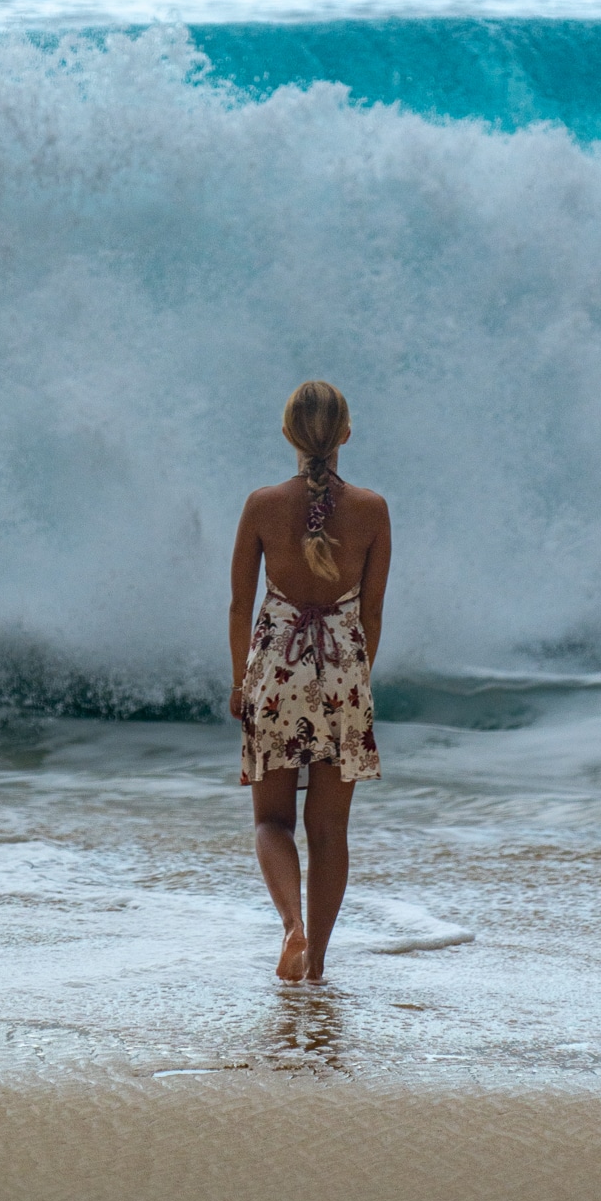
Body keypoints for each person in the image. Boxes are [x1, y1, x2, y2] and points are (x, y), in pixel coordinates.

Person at [229, 380, 391, 982]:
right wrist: (356, 683)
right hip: (343, 670)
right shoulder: (372, 510)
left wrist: (240, 683)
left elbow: (238, 605)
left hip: (276, 665)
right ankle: (317, 963)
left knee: (272, 821)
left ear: (286, 433)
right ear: (346, 433)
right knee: (329, 829)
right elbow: (371, 614)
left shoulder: (261, 505)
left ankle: (291, 927)